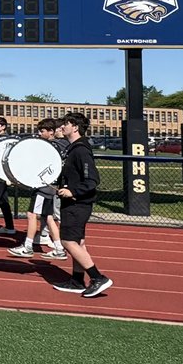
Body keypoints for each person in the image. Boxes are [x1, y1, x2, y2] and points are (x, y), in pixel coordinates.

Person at [51, 112, 112, 298]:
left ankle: (97, 277)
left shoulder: (80, 150)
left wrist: (73, 192)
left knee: (68, 241)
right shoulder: (73, 148)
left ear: (75, 127)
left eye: (66, 124)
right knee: (77, 242)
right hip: (72, 202)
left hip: (78, 204)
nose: (62, 127)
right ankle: (77, 280)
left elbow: (92, 179)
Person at [8, 119, 68, 260]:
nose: (39, 134)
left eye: (42, 131)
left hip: (43, 185)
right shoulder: (63, 144)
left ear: (51, 132)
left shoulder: (49, 146)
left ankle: (27, 246)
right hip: (52, 185)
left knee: (31, 214)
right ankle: (59, 248)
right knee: (48, 217)